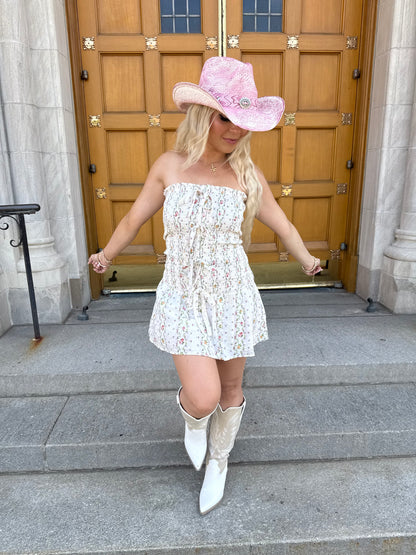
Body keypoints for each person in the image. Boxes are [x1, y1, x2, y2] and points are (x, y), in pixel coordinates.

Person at [89, 56, 322, 515]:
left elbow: (284, 225)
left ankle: (219, 460)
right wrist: (107, 255)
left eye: (242, 121)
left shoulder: (247, 174)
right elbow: (134, 218)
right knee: (204, 396)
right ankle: (194, 421)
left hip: (233, 293)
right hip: (184, 294)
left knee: (231, 389)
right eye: (225, 118)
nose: (235, 130)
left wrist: (308, 259)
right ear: (203, 116)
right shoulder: (169, 166)